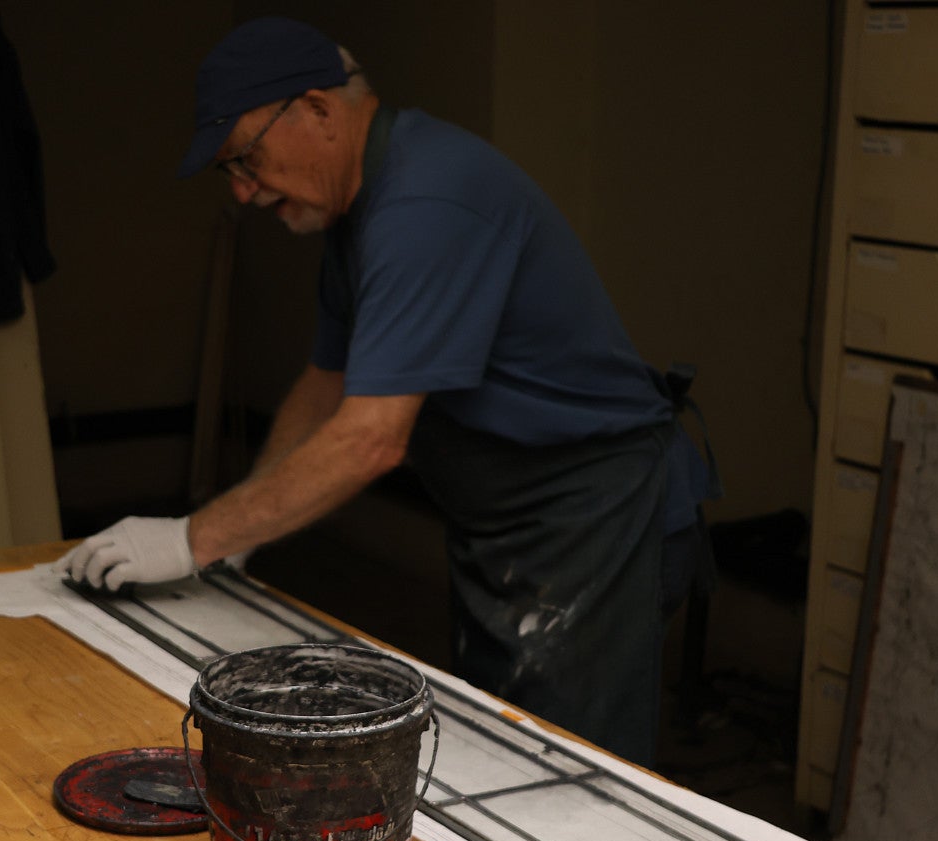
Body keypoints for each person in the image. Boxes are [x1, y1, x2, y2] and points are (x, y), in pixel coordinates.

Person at [57, 16, 711, 766]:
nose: (242, 191)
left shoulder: (426, 202)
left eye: (246, 158)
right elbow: (326, 384)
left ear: (317, 110)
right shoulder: (354, 210)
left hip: (593, 520)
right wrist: (241, 531)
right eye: (227, 173)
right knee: (501, 746)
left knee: (567, 777)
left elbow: (370, 436)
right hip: (507, 525)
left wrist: (191, 539)